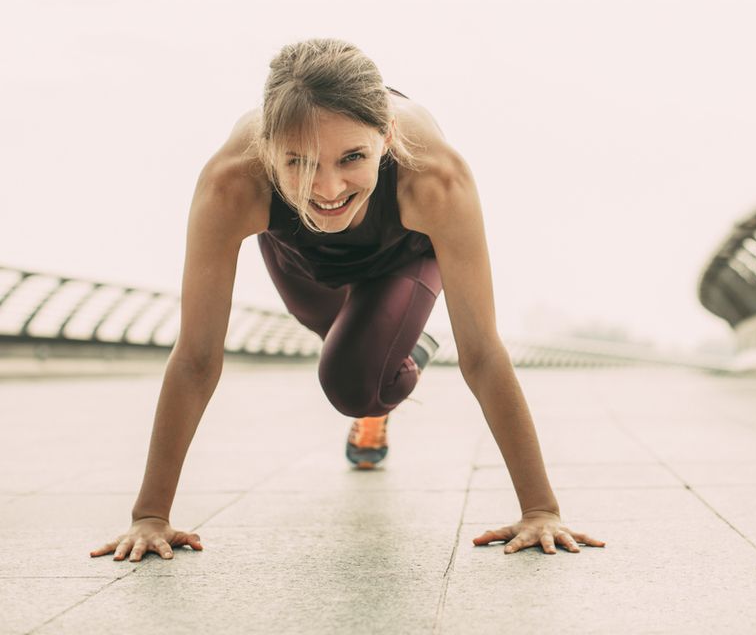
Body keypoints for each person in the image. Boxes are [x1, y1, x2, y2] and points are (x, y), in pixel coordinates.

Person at [89, 38, 605, 560]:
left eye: (353, 157)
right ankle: (384, 352)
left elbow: (482, 352)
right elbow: (198, 357)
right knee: (342, 343)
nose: (328, 188)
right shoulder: (232, 182)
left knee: (350, 383)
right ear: (267, 151)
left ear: (388, 136)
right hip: (303, 263)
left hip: (401, 260)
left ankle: (401, 355)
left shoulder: (435, 178)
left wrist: (540, 509)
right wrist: (150, 516)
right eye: (297, 163)